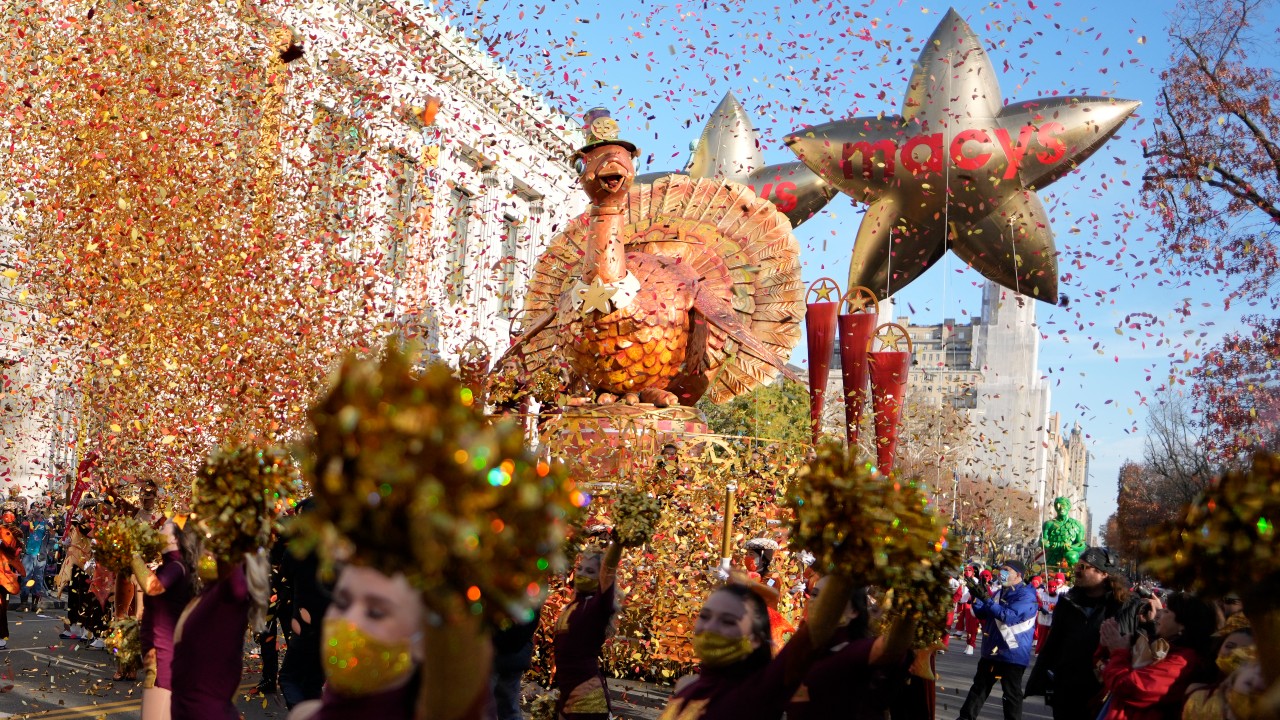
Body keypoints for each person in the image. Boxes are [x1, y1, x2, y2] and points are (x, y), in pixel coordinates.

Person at [656, 570, 858, 720]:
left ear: (755, 638)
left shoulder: (759, 689)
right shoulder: (687, 684)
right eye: (705, 616)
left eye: (728, 621)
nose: (711, 627)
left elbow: (815, 625)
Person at [287, 564, 427, 720]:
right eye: (341, 603)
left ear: (425, 640)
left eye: (376, 613)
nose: (349, 621)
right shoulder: (302, 715)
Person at [1025, 547, 1143, 720]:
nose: (1077, 570)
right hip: (1067, 690)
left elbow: (1134, 645)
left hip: (1102, 690)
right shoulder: (1067, 601)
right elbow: (1053, 644)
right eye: (1077, 566)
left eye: (1083, 567)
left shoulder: (1126, 605)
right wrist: (1039, 680)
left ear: (1103, 573)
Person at [787, 581, 913, 720]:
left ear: (854, 611)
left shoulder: (855, 652)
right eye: (815, 594)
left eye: (832, 597)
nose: (819, 602)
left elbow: (892, 647)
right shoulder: (802, 643)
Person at [1096, 591, 1215, 719]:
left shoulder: (1183, 662)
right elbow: (1106, 671)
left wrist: (1118, 651)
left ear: (1183, 625)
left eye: (1167, 611)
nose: (1158, 613)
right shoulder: (1160, 646)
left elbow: (1130, 688)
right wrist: (1109, 646)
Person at [169, 554, 254, 720]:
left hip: (207, 712)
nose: (208, 551)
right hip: (185, 709)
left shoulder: (226, 594)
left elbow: (237, 589)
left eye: (215, 547)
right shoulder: (206, 592)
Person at [132, 519, 199, 720]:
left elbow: (153, 587)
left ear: (174, 540)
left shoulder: (176, 566)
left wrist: (133, 556)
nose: (158, 531)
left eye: (163, 529)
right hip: (162, 654)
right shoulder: (172, 565)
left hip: (164, 656)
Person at [956, 559, 1038, 720]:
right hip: (992, 651)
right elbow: (983, 613)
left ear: (1018, 575)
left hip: (1012, 653)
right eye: (1001, 569)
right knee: (978, 690)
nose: (1002, 573)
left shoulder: (1027, 595)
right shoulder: (1000, 592)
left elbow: (1008, 616)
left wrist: (986, 599)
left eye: (1007, 570)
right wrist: (976, 596)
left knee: (1011, 696)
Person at [553, 539, 623, 720]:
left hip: (587, 700)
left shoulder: (597, 607)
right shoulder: (572, 605)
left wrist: (618, 543)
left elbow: (608, 571)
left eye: (590, 571)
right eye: (580, 569)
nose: (582, 573)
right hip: (567, 695)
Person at [0, 511, 25, 649]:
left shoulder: (15, 533)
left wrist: (3, 544)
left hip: (5, 574)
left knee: (1, 605)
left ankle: (1, 636)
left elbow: (16, 550)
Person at [1034, 572, 1066, 654]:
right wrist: (1040, 608)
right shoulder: (1042, 594)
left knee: (1052, 637)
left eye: (1053, 587)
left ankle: (1049, 653)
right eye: (1050, 587)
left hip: (1054, 619)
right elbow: (1036, 602)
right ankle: (1038, 651)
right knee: (1042, 636)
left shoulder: (1061, 594)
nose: (1052, 588)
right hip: (1043, 619)